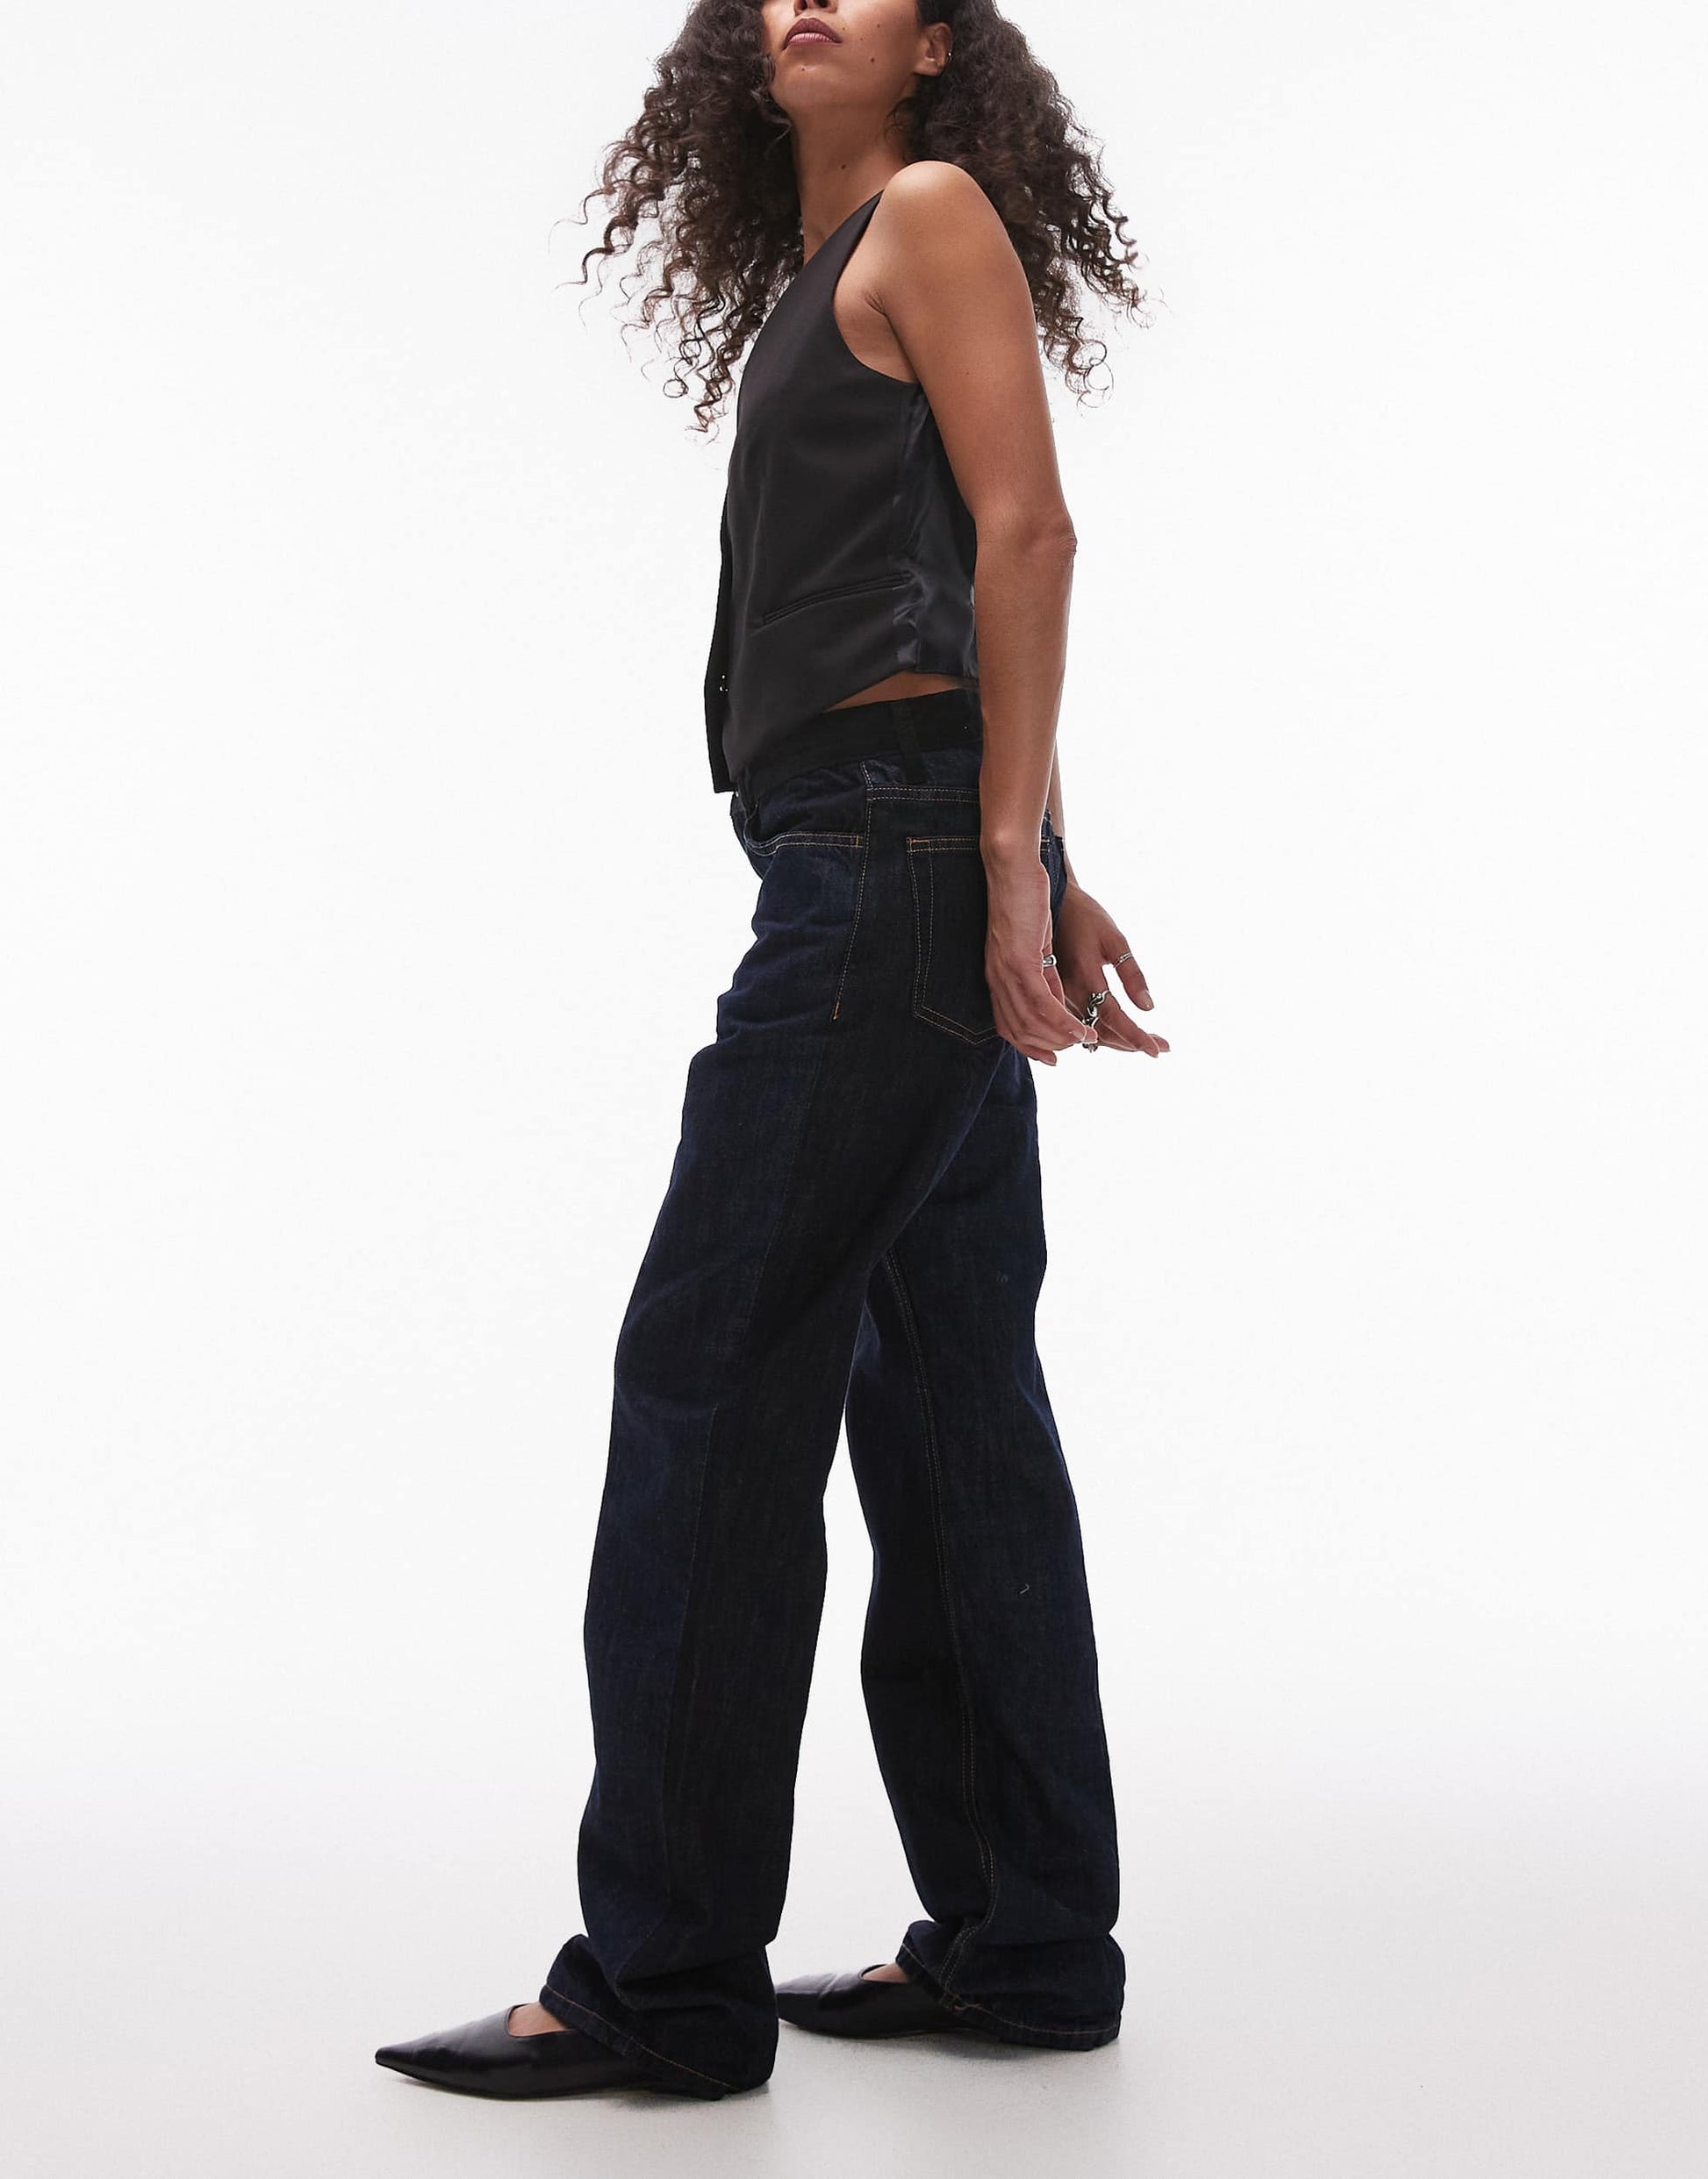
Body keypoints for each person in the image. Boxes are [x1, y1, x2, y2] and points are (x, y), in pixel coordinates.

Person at [376, 0, 1167, 2104]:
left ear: (937, 47)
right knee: (950, 1403)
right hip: (908, 857)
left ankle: (661, 1981)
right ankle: (1026, 1943)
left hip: (879, 880)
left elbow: (1030, 534)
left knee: (711, 1383)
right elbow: (957, 577)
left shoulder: (926, 213)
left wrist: (1007, 867)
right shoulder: (828, 271)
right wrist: (1041, 857)